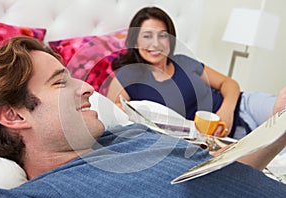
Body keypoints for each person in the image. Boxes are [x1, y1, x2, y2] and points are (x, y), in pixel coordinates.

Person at [0, 36, 285, 198]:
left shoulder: (130, 134)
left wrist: (279, 126)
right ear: (12, 114)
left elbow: (224, 174)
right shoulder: (45, 193)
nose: (89, 87)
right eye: (59, 82)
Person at [106, 6, 279, 139]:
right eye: (147, 36)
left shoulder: (183, 61)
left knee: (283, 114)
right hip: (221, 138)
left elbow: (229, 84)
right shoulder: (126, 79)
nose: (156, 44)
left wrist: (226, 110)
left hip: (243, 105)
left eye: (163, 36)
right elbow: (110, 119)